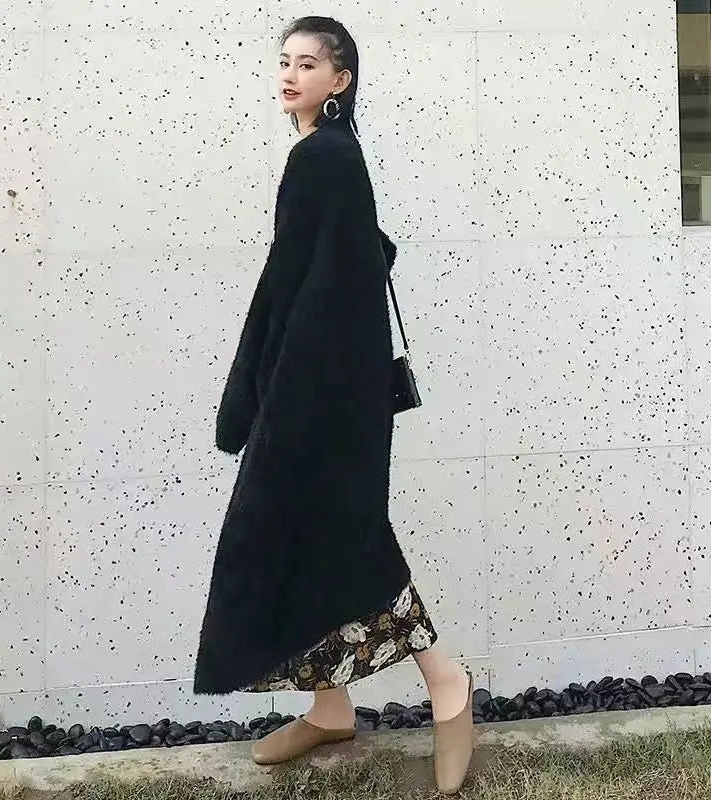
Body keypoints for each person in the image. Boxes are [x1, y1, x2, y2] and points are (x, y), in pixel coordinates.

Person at [194, 16, 474, 795]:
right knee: (315, 538)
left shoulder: (322, 158)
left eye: (309, 64)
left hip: (316, 397)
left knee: (348, 538)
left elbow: (294, 291)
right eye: (283, 62)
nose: (290, 75)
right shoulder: (327, 155)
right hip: (320, 390)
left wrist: (259, 397)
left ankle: (447, 684)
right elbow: (325, 274)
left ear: (340, 81)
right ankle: (330, 706)